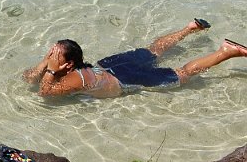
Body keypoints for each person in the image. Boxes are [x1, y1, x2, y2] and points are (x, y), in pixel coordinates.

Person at [23, 19, 247, 98]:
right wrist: (46, 61)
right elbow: (28, 78)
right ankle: (189, 28)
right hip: (109, 64)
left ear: (68, 64)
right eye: (50, 52)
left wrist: (51, 70)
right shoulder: (74, 68)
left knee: (182, 73)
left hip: (125, 77)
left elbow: (45, 93)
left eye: (54, 54)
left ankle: (226, 51)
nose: (51, 56)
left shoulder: (75, 78)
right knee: (153, 51)